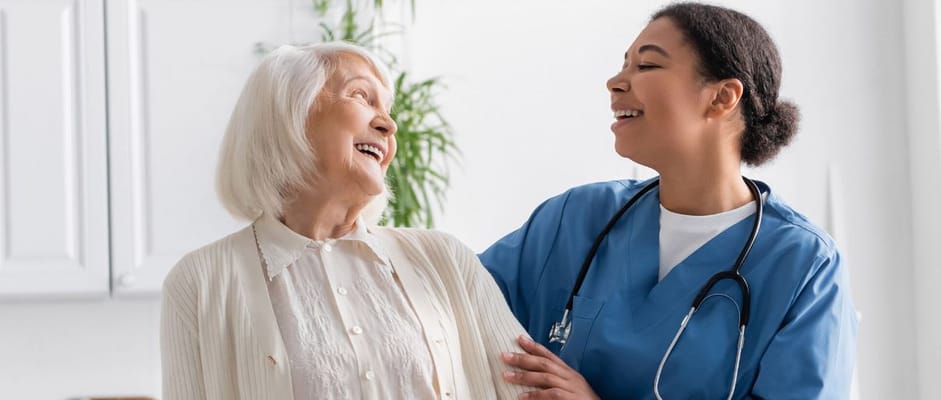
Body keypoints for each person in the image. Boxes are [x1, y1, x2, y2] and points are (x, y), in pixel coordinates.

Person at [481, 3, 858, 399]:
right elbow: (445, 302)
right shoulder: (574, 219)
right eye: (623, 65)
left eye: (646, 66)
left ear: (722, 97)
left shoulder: (804, 266)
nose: (615, 81)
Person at [160, 42, 530, 400]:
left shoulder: (445, 258)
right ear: (291, 113)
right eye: (361, 96)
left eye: (387, 108)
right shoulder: (200, 281)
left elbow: (531, 391)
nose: (388, 125)